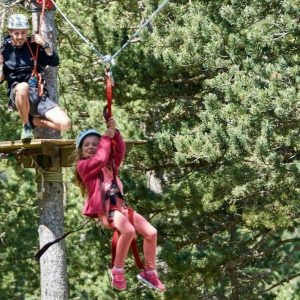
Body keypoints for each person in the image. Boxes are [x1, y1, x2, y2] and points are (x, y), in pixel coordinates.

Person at [75, 118, 166, 292]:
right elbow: (100, 158)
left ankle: (150, 271)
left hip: (121, 208)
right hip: (107, 211)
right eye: (86, 145)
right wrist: (106, 138)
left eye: (95, 144)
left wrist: (114, 132)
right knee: (129, 231)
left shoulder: (109, 165)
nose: (91, 147)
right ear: (81, 150)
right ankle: (117, 270)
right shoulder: (84, 166)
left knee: (151, 232)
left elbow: (119, 152)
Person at [0, 14, 71, 142]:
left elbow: (54, 61)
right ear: (10, 32)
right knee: (23, 87)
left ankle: (34, 122)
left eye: (23, 32)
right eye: (17, 33)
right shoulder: (4, 50)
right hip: (18, 93)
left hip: (37, 94)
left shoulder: (34, 45)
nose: (20, 36)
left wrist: (44, 44)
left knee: (65, 124)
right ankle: (26, 126)